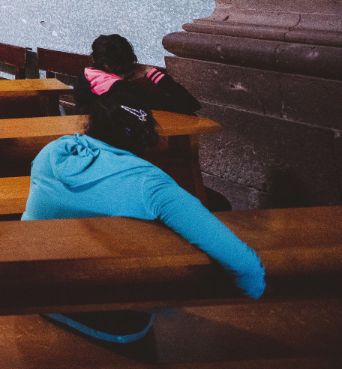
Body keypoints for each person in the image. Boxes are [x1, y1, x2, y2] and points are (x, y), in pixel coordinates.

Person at [23, 85, 265, 344]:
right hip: (116, 322)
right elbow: (244, 265)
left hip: (40, 294)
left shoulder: (53, 151)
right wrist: (254, 292)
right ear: (144, 137)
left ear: (91, 122)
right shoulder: (150, 183)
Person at [71, 33, 201, 116]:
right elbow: (189, 104)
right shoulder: (124, 92)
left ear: (93, 58)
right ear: (129, 64)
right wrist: (149, 71)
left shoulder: (84, 80)